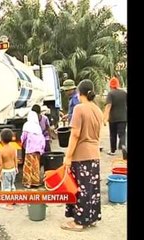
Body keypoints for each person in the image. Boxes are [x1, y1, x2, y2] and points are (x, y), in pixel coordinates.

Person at [61, 79, 103, 231]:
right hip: (94, 155)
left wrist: (68, 156)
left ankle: (79, 222)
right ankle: (91, 218)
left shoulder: (79, 109)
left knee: (79, 188)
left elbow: (75, 135)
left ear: (80, 93)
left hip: (81, 156)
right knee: (92, 188)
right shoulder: (97, 110)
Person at [21, 111, 45, 188]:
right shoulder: (38, 127)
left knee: (28, 166)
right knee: (36, 166)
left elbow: (23, 137)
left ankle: (27, 182)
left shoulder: (26, 125)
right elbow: (42, 139)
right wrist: (42, 149)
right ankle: (35, 182)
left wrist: (22, 144)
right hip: (37, 151)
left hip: (29, 149)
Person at [103, 77, 127, 156]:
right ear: (118, 84)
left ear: (110, 86)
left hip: (113, 118)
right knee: (122, 134)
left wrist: (105, 118)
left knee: (113, 134)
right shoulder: (124, 93)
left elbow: (108, 106)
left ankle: (113, 151)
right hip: (123, 117)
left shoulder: (111, 94)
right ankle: (124, 146)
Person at [0, 128, 18, 210]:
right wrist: (16, 167)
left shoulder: (1, 151)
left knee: (6, 188)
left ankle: (8, 204)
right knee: (12, 186)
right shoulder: (13, 148)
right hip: (13, 170)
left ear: (1, 139)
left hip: (5, 172)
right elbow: (15, 158)